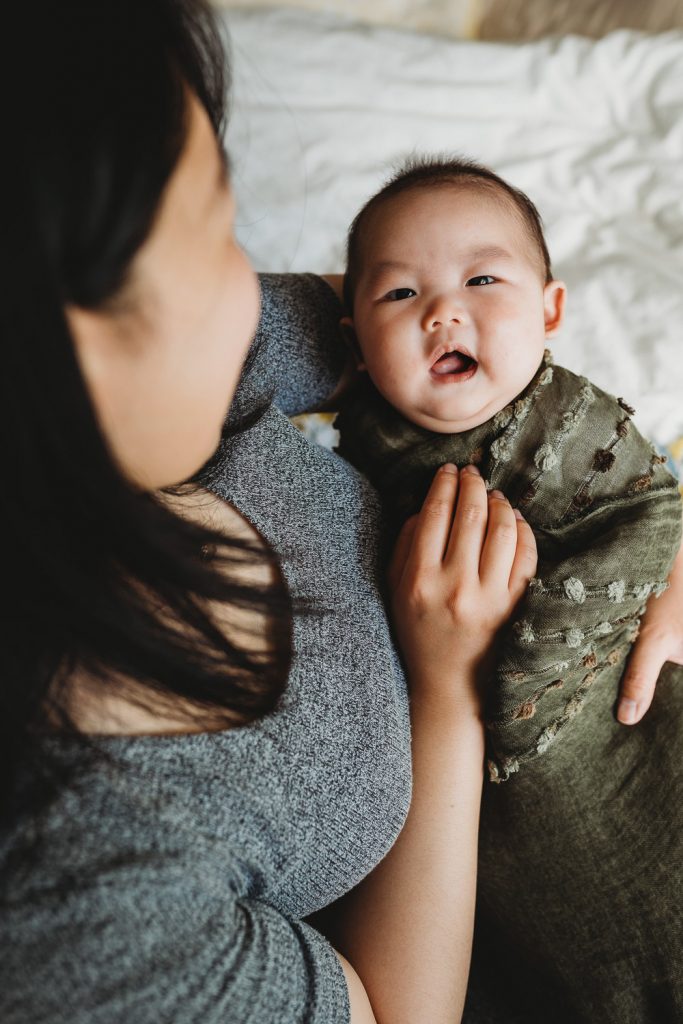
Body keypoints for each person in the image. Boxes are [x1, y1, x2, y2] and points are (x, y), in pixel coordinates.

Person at [1, 4, 680, 1021]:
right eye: (214, 232)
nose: (264, 284)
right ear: (62, 351)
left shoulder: (188, 382)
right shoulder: (85, 901)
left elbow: (420, 314)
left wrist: (650, 526)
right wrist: (443, 685)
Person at [333, 156, 683, 1019]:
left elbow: (649, 508)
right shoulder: (357, 480)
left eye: (481, 279)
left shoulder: (582, 430)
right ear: (352, 338)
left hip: (632, 725)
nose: (444, 311)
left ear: (550, 309)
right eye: (398, 295)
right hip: (494, 808)